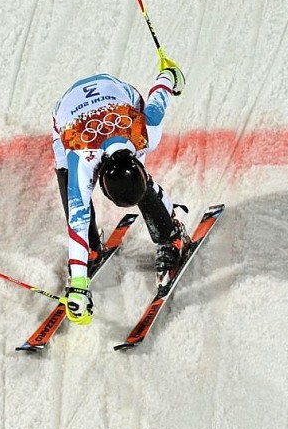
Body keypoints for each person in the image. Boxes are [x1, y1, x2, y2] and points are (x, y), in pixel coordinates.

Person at [51, 66, 188, 325]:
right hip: (68, 115)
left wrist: (169, 76)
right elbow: (76, 223)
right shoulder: (80, 158)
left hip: (118, 97)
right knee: (69, 179)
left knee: (136, 183)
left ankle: (172, 237)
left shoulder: (146, 132)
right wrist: (79, 282)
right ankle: (91, 248)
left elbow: (160, 96)